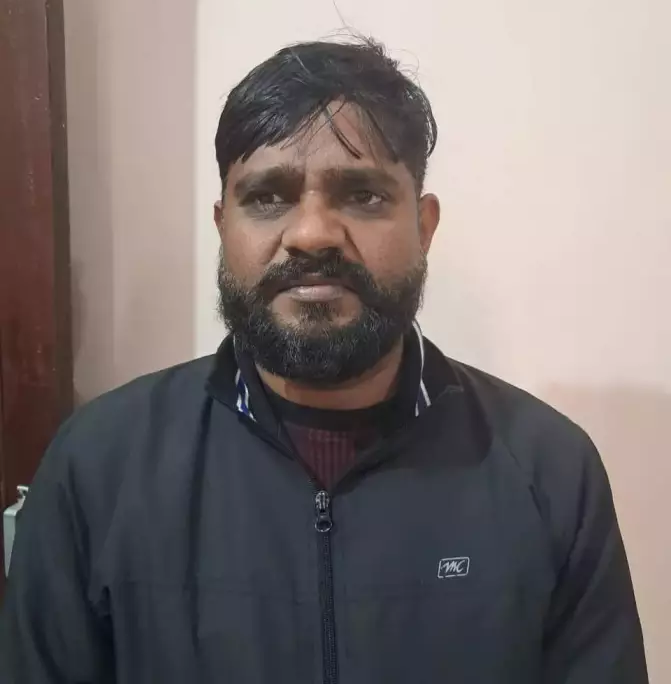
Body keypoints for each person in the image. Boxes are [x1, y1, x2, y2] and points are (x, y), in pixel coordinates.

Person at [1, 38, 647, 684]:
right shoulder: (97, 471)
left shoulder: (549, 474)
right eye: (267, 197)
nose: (312, 234)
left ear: (424, 226)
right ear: (223, 226)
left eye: (362, 195)